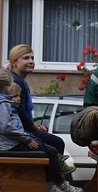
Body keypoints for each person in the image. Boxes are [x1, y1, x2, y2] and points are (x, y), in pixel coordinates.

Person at [0, 70, 82, 192]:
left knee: (52, 147)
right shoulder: (1, 104)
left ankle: (57, 177)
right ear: (6, 87)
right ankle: (56, 184)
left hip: (10, 141)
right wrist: (27, 139)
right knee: (51, 151)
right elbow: (7, 128)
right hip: (11, 144)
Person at [7, 44, 75, 174]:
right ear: (14, 62)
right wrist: (33, 127)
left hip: (24, 129)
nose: (31, 61)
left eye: (32, 58)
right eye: (26, 58)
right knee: (57, 143)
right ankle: (52, 180)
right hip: (20, 133)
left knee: (55, 142)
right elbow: (19, 111)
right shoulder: (16, 82)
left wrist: (34, 125)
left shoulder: (20, 80)